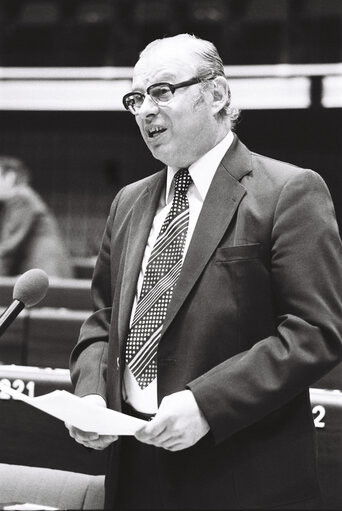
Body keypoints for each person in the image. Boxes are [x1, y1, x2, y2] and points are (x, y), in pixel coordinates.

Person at [66, 34, 342, 509]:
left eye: (162, 91)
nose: (145, 110)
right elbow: (104, 319)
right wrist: (92, 395)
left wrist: (206, 403)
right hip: (133, 471)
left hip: (238, 474)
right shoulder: (128, 201)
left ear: (217, 95)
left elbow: (315, 331)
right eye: (135, 98)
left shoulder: (289, 191)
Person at [0, 156, 73, 278]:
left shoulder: (21, 198)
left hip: (47, 273)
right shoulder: (24, 197)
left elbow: (8, 248)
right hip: (44, 274)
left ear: (10, 177)